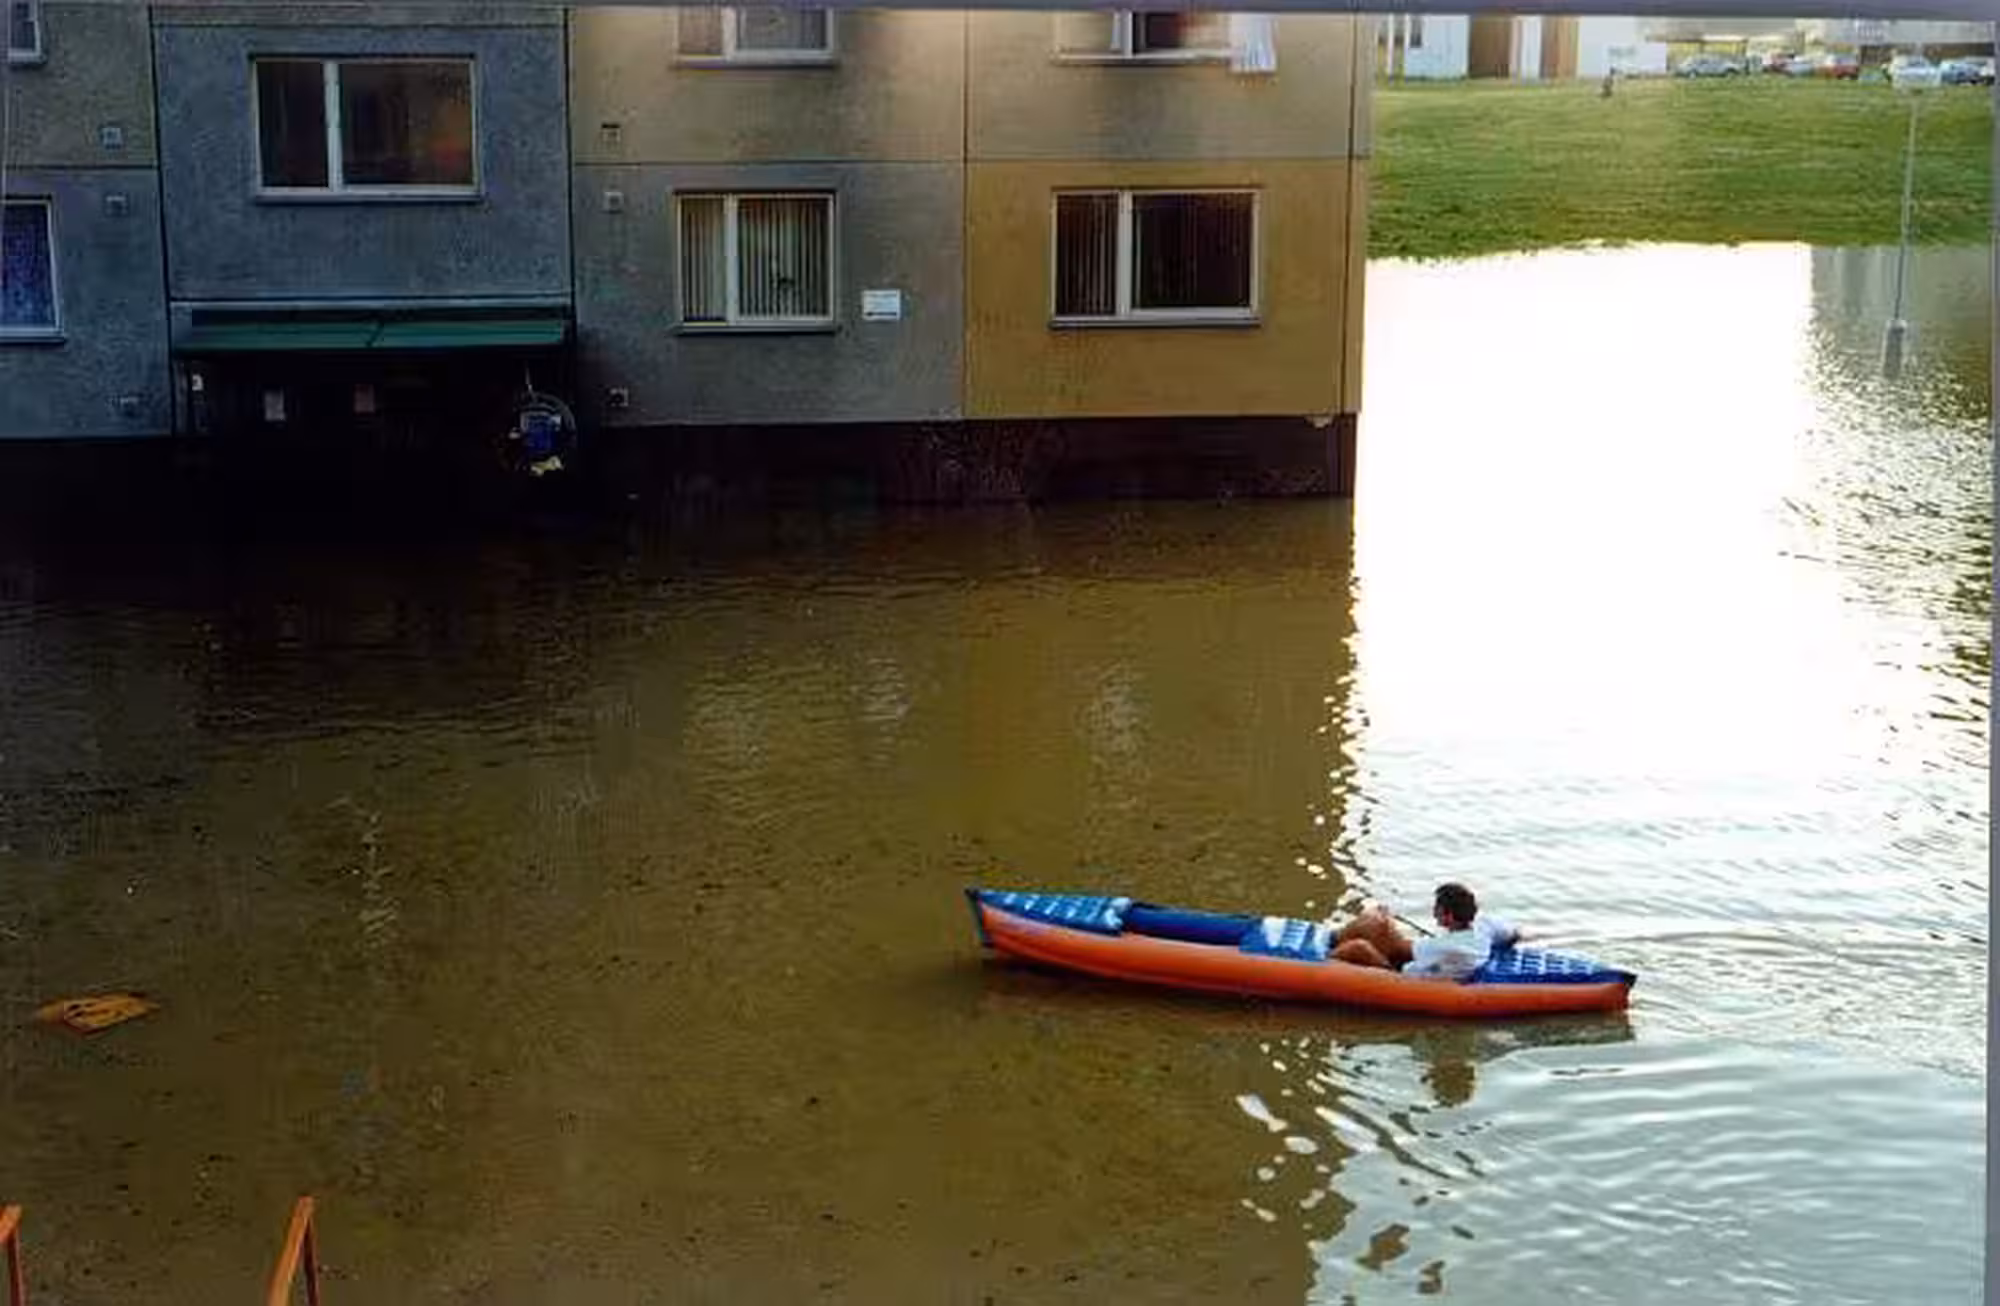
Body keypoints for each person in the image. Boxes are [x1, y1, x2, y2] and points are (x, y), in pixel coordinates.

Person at [1329, 882, 1522, 978]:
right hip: (1431, 961)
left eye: (1437, 908)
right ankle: (1334, 939)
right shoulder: (1485, 924)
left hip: (1403, 976)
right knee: (1378, 923)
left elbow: (1407, 963)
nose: (1434, 911)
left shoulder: (1446, 946)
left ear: (1448, 916)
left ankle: (1321, 961)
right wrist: (1385, 922)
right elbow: (1513, 935)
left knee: (1359, 947)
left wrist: (1384, 923)